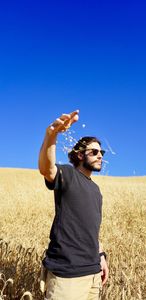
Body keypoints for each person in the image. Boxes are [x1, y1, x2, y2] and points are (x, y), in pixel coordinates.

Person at [38, 110, 109, 300]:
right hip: (67, 275)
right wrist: (51, 134)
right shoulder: (68, 174)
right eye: (94, 152)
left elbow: (91, 229)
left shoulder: (96, 190)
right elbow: (46, 169)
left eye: (101, 152)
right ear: (79, 155)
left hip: (93, 274)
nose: (100, 155)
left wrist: (100, 255)